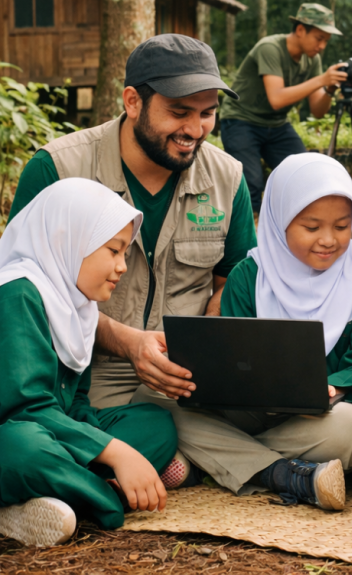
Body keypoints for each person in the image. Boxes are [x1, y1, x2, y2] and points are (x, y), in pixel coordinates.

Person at [9, 34, 256, 414]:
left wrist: (205, 350)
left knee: (344, 434)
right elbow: (23, 294)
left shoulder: (228, 177)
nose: (195, 130)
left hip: (185, 371)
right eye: (179, 112)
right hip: (87, 369)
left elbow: (229, 283)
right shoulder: (57, 169)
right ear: (132, 102)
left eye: (207, 113)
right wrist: (129, 343)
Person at [0, 179, 178, 547]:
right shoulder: (17, 292)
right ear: (70, 240)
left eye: (125, 253)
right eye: (114, 251)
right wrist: (116, 453)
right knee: (25, 448)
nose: (123, 266)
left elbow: (76, 401)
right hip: (17, 433)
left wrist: (107, 443)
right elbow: (27, 408)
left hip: (57, 435)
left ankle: (58, 495)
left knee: (154, 423)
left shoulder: (74, 302)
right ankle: (106, 497)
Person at [215, 153, 352, 509]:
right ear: (279, 221)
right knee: (153, 397)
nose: (328, 240)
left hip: (323, 417)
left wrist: (332, 387)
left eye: (342, 227)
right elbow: (231, 362)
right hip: (249, 414)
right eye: (312, 227)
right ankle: (282, 470)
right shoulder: (249, 277)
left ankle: (226, 456)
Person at [220, 3, 348, 213]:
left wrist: (330, 89)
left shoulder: (312, 59)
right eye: (319, 38)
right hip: (240, 120)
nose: (323, 46)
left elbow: (317, 110)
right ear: (300, 30)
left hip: (276, 125)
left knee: (306, 175)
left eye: (326, 41)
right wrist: (321, 79)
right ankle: (248, 240)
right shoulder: (270, 48)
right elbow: (277, 99)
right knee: (250, 185)